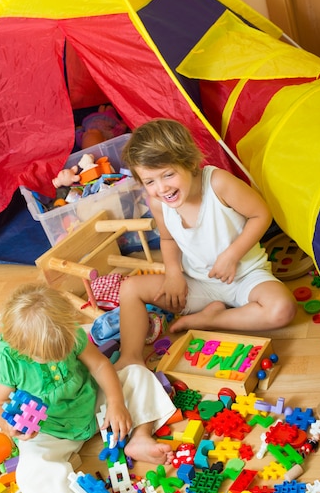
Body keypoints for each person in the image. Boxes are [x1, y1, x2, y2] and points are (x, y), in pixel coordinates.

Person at [0, 283, 176, 493]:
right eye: (46, 357)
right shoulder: (4, 362)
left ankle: (140, 437)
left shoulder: (71, 333)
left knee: (137, 374)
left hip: (92, 407)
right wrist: (10, 427)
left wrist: (116, 401)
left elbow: (99, 366)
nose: (55, 360)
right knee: (30, 471)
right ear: (20, 347)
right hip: (51, 431)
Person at [115, 118, 297, 370]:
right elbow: (167, 238)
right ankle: (130, 358)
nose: (162, 188)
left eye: (168, 174)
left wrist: (233, 255)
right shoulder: (157, 202)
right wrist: (173, 275)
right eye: (150, 181)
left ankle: (213, 319)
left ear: (189, 163)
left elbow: (261, 214)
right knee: (130, 288)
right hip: (198, 283)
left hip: (246, 277)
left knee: (282, 309)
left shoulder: (218, 184)